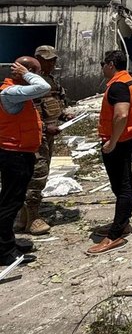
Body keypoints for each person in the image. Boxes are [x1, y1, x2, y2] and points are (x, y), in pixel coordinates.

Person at [87, 50, 132, 255]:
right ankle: (123, 223)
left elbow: (121, 115)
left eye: (103, 63)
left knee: (122, 187)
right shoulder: (129, 81)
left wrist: (112, 141)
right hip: (127, 137)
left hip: (119, 141)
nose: (102, 67)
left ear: (111, 64)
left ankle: (115, 235)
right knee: (126, 182)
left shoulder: (118, 85)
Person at [0, 57, 50, 266]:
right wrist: (27, 73)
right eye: (35, 72)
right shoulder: (10, 92)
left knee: (13, 200)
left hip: (20, 153)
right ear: (25, 71)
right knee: (9, 204)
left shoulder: (17, 92)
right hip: (14, 155)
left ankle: (8, 243)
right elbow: (43, 87)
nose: (38, 76)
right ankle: (4, 252)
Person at [15, 46, 67, 236]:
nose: (52, 63)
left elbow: (55, 102)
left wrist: (63, 116)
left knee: (40, 174)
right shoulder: (29, 84)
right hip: (36, 136)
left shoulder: (50, 80)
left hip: (48, 135)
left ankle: (24, 217)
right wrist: (46, 128)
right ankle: (32, 218)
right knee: (37, 175)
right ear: (36, 60)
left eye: (54, 60)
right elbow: (29, 114)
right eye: (47, 60)